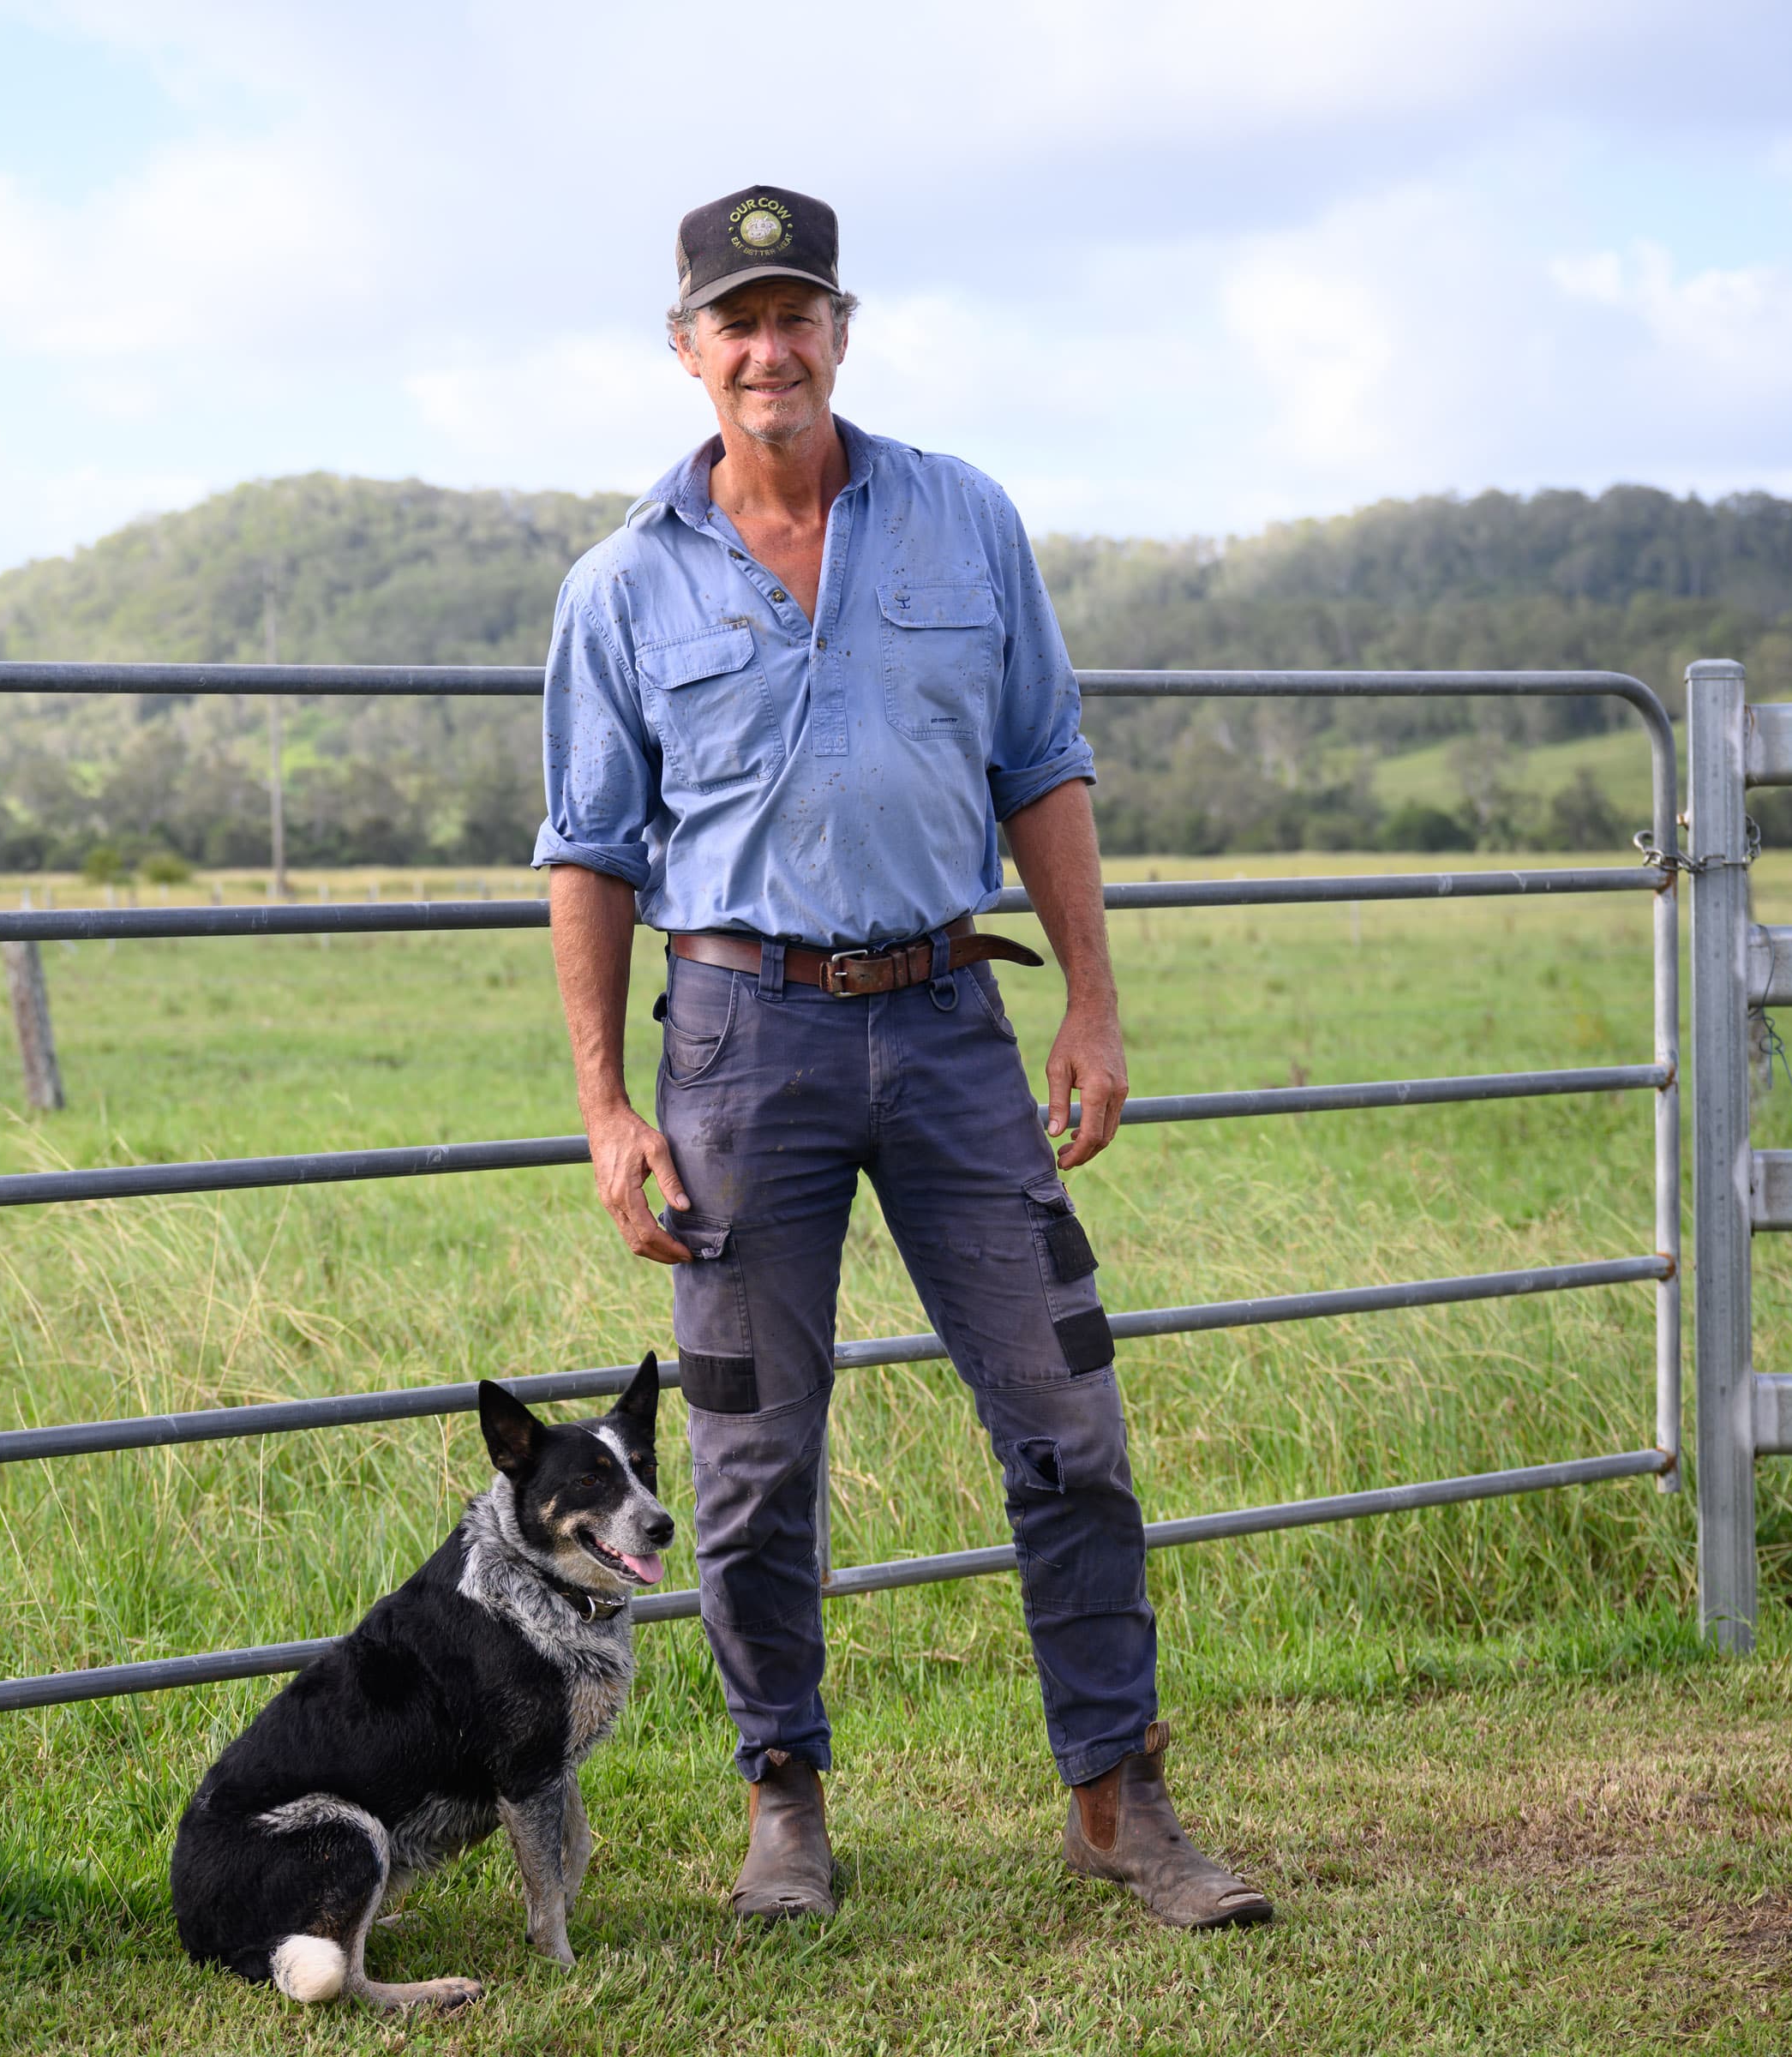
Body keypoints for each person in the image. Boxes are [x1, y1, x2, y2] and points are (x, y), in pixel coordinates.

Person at [531, 183, 1271, 1932]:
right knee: (750, 1462)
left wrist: (1092, 1005)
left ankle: (1119, 1800)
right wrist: (608, 1106)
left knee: (1067, 1420)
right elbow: (591, 851)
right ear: (687, 349)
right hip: (739, 1044)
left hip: (951, 1025)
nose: (769, 349)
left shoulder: (965, 519)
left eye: (797, 315)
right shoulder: (619, 586)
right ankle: (782, 1804)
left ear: (841, 333)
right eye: (737, 322)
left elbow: (1044, 764)